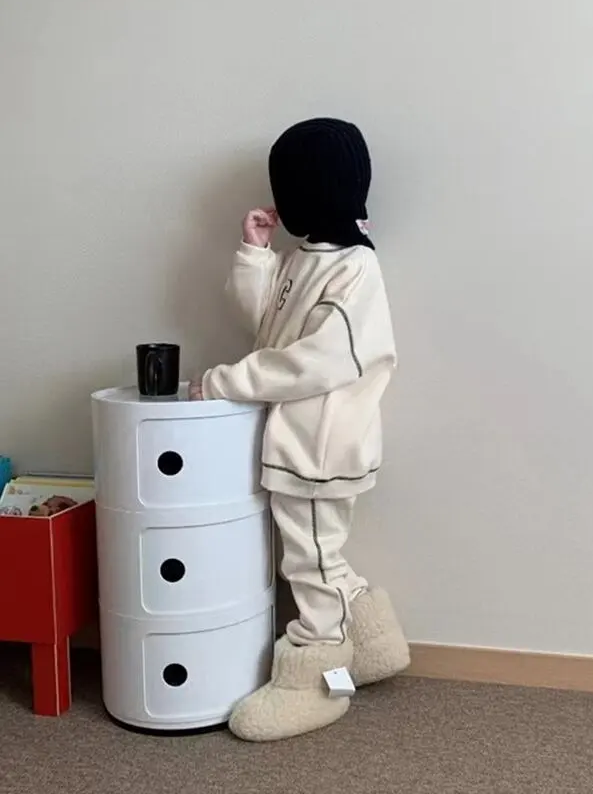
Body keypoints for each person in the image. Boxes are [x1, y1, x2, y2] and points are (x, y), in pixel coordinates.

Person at [189, 117, 409, 741]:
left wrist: (226, 382)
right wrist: (255, 254)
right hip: (297, 439)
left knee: (308, 563)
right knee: (319, 552)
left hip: (320, 445)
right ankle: (373, 644)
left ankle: (317, 678)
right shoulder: (301, 259)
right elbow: (264, 324)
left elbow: (317, 360)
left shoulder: (356, 268)